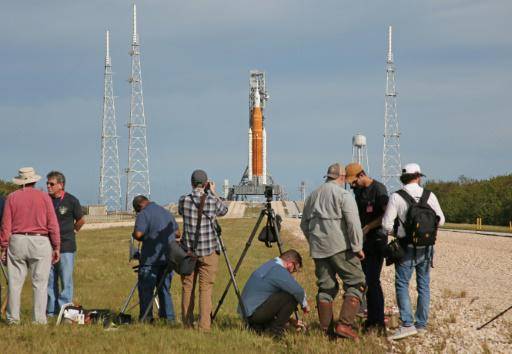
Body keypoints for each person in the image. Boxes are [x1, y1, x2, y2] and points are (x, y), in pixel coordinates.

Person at [300, 163, 366, 340]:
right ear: (342, 177)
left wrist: (313, 241)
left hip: (319, 249)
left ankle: (326, 331)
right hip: (340, 247)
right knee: (356, 282)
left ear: (327, 176)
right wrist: (357, 247)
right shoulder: (344, 195)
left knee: (326, 287)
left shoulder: (312, 196)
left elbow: (304, 224)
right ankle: (344, 325)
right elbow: (353, 223)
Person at [382, 163, 445, 340]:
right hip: (426, 247)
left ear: (403, 178)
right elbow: (441, 221)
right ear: (418, 177)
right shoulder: (429, 195)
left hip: (406, 247)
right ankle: (421, 324)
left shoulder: (396, 197)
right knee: (423, 285)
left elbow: (386, 225)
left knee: (402, 284)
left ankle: (407, 324)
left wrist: (398, 232)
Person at [0, 167, 60, 324]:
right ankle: (39, 319)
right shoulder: (44, 198)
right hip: (40, 241)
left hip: (18, 240)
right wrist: (56, 246)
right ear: (35, 180)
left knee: (15, 283)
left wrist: (4, 246)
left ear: (20, 182)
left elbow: (6, 225)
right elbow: (52, 224)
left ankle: (13, 318)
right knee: (40, 283)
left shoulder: (11, 198)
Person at [178, 169, 228, 331]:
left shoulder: (183, 200)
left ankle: (187, 324)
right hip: (208, 251)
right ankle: (204, 326)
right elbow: (224, 210)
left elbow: (181, 212)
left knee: (187, 288)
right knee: (205, 289)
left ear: (191, 183)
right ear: (206, 183)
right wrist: (212, 192)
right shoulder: (212, 201)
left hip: (188, 252)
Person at [345, 163, 389, 333]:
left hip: (376, 240)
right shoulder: (358, 191)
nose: (352, 185)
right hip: (362, 242)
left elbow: (385, 214)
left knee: (373, 281)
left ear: (361, 175)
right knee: (363, 281)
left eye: (353, 182)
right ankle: (370, 319)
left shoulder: (379, 189)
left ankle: (378, 323)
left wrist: (369, 227)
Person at [240, 249, 310, 338]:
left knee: (285, 293)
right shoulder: (279, 270)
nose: (292, 272)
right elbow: (298, 291)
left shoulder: (271, 264)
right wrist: (305, 305)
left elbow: (272, 301)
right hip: (253, 314)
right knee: (292, 296)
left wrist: (289, 320)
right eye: (294, 269)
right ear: (290, 264)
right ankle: (276, 330)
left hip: (249, 312)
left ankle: (259, 326)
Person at [132, 195, 178, 322]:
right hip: (168, 258)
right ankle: (168, 319)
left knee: (146, 291)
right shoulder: (166, 212)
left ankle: (147, 319)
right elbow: (178, 233)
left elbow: (138, 234)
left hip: (150, 260)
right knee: (164, 290)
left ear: (139, 206)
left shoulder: (143, 214)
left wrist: (138, 236)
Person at [46, 171, 85, 316]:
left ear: (61, 185)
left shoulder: (71, 200)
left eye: (51, 183)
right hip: (48, 247)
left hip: (66, 247)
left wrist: (73, 231)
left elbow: (81, 220)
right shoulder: (46, 200)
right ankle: (51, 311)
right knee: (50, 281)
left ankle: (65, 310)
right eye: (47, 183)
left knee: (66, 280)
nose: (48, 186)